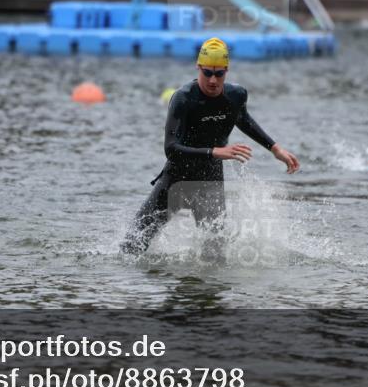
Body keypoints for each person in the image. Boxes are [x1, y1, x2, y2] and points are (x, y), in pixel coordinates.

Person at [120, 37, 300, 257]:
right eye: (207, 73)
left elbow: (242, 119)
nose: (213, 80)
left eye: (219, 73)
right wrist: (214, 152)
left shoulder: (236, 95)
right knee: (130, 248)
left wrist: (275, 148)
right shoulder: (183, 99)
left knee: (215, 255)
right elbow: (171, 149)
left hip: (209, 181)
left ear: (226, 70)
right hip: (176, 178)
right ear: (198, 67)